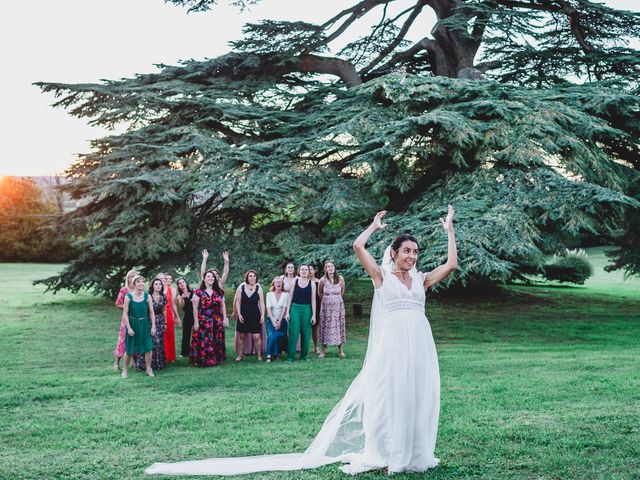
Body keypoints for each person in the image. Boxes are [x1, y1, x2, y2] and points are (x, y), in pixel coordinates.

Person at [146, 205, 457, 476]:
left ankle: (414, 454)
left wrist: (450, 230)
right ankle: (389, 455)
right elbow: (358, 246)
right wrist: (374, 227)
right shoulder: (382, 277)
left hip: (419, 344)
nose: (412, 256)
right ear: (394, 253)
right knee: (390, 397)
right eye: (406, 251)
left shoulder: (421, 279)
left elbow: (452, 264)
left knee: (416, 395)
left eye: (415, 252)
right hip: (392, 346)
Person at [190, 270, 228, 367]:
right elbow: (195, 308)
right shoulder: (198, 292)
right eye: (208, 276)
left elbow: (223, 305)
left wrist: (224, 318)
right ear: (204, 279)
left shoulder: (219, 291)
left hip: (217, 319)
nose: (210, 278)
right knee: (205, 339)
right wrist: (196, 322)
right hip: (204, 319)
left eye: (212, 277)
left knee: (216, 338)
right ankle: (204, 359)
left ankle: (217, 358)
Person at [122, 275, 156, 379]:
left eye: (142, 281)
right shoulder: (128, 297)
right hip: (132, 324)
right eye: (138, 282)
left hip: (144, 324)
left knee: (148, 347)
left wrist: (153, 326)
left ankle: (148, 369)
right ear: (134, 284)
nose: (141, 284)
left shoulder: (147, 296)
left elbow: (151, 312)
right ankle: (125, 370)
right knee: (129, 349)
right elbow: (125, 314)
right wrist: (129, 327)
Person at [284, 264, 316, 363]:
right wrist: (287, 312)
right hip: (295, 308)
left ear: (309, 272)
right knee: (294, 332)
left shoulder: (312, 284)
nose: (304, 271)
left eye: (306, 269)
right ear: (299, 271)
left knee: (306, 333)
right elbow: (290, 297)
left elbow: (313, 300)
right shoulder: (295, 282)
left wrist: (314, 315)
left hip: (306, 309)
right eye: (302, 269)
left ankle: (304, 356)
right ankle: (290, 357)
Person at [136, 278, 167, 371]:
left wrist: (165, 322)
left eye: (160, 284)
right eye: (156, 284)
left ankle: (158, 363)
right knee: (151, 342)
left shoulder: (163, 296)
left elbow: (164, 310)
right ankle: (144, 365)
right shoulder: (147, 296)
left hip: (160, 321)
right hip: (149, 321)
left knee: (159, 342)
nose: (158, 286)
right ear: (152, 286)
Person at [234, 270, 265, 362]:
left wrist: (262, 314)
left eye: (254, 276)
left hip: (255, 314)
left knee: (256, 336)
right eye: (250, 276)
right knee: (242, 336)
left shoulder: (259, 288)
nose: (252, 278)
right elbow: (238, 302)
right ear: (247, 278)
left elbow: (262, 303)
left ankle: (259, 356)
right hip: (243, 314)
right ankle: (240, 355)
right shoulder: (241, 287)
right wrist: (239, 314)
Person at [318, 261, 346, 359]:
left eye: (332, 266)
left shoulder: (340, 278)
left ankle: (340, 350)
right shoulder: (322, 280)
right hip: (326, 308)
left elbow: (342, 291)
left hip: (338, 307)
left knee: (339, 326)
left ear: (334, 267)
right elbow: (320, 293)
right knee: (325, 327)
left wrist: (335, 300)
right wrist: (328, 300)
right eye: (328, 266)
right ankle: (323, 351)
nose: (330, 268)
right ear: (325, 269)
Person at [113, 269, 138, 371]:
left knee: (136, 340)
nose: (133, 278)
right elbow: (118, 304)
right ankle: (116, 363)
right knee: (123, 340)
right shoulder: (124, 290)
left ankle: (135, 362)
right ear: (128, 278)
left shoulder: (139, 290)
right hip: (126, 319)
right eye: (131, 276)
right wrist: (128, 307)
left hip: (136, 319)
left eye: (135, 277)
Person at [265, 276, 289, 363]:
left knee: (281, 336)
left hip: (282, 320)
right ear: (273, 284)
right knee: (273, 335)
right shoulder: (269, 294)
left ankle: (277, 353)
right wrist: (273, 321)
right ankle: (269, 355)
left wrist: (280, 321)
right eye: (276, 282)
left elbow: (284, 308)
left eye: (280, 282)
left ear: (282, 284)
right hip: (271, 320)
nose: (278, 283)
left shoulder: (285, 295)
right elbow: (268, 308)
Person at [162, 273, 181, 364]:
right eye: (166, 278)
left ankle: (171, 357)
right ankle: (163, 356)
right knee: (161, 335)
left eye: (170, 278)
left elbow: (173, 303)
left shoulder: (172, 290)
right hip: (160, 313)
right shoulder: (159, 289)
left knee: (169, 334)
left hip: (169, 312)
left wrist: (176, 316)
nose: (168, 280)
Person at [176, 278, 194, 358]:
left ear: (186, 283)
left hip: (196, 314)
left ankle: (196, 350)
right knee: (186, 334)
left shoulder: (194, 292)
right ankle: (185, 352)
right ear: (178, 286)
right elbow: (182, 306)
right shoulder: (179, 296)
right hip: (187, 316)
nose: (182, 284)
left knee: (197, 333)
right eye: (180, 283)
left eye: (183, 282)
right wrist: (182, 298)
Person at [308, 264, 321, 354]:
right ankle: (302, 346)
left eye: (311, 269)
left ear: (315, 271)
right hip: (306, 305)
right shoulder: (303, 281)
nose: (310, 271)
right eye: (308, 269)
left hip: (317, 306)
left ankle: (316, 347)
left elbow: (321, 294)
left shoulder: (319, 282)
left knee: (314, 328)